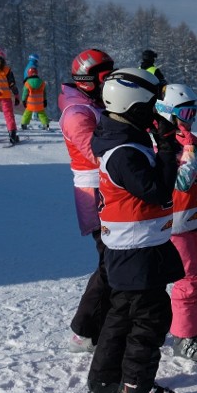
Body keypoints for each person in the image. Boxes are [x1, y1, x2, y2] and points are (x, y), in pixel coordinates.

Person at [87, 67, 184, 393]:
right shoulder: (125, 151)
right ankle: (135, 388)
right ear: (133, 107)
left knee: (122, 313)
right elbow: (157, 190)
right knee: (150, 319)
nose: (154, 114)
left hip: (130, 247)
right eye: (150, 108)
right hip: (138, 250)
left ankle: (103, 378)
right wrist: (168, 146)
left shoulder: (119, 138)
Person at [156, 83, 197, 365]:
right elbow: (181, 182)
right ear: (168, 113)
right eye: (185, 112)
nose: (190, 118)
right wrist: (191, 148)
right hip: (177, 225)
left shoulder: (184, 140)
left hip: (193, 221)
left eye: (193, 112)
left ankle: (196, 329)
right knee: (187, 281)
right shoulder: (163, 144)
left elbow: (196, 186)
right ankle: (183, 336)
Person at [61, 49, 116, 353]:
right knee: (110, 262)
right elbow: (98, 154)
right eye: (105, 77)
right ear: (87, 81)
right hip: (95, 193)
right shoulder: (77, 113)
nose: (110, 83)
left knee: (113, 259)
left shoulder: (91, 104)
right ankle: (84, 329)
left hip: (107, 189)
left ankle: (100, 321)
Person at [20, 64, 50, 130]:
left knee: (27, 113)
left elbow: (25, 93)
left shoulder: (27, 83)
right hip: (40, 103)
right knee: (42, 113)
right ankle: (46, 124)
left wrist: (23, 100)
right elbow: (44, 93)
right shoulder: (42, 82)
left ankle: (24, 124)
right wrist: (45, 100)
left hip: (30, 103)